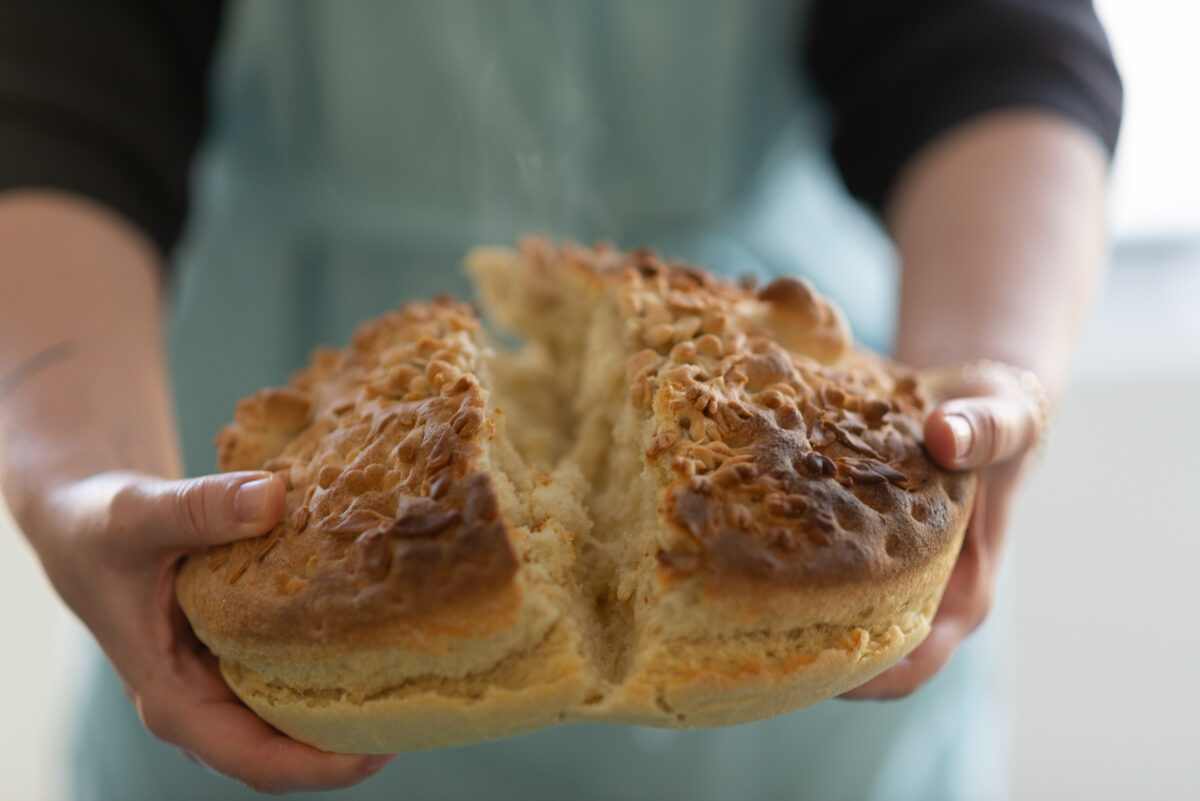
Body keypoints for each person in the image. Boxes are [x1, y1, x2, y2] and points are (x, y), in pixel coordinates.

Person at [0, 1, 1121, 799]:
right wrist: (82, 479)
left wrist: (993, 364)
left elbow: (991, 44)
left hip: (787, 480)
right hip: (281, 484)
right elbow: (53, 93)